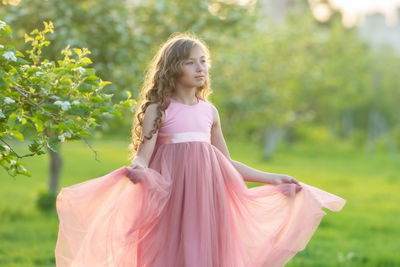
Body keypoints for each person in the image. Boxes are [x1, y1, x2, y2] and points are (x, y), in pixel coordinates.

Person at [55, 33, 346, 267]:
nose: (201, 68)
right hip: (170, 198)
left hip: (209, 198)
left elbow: (226, 163)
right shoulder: (160, 109)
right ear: (172, 68)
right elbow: (144, 154)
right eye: (191, 62)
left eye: (204, 62)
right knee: (170, 252)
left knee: (205, 252)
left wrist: (272, 177)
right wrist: (138, 169)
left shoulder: (209, 112)